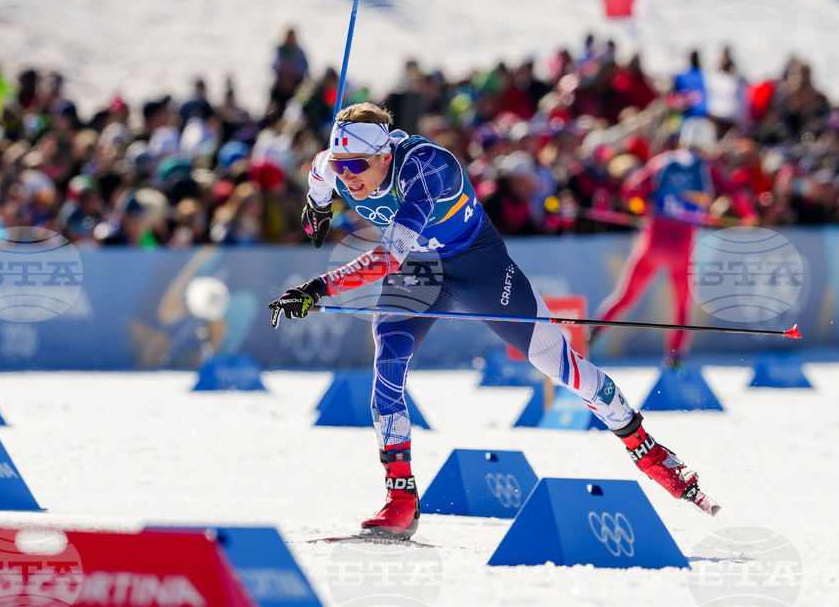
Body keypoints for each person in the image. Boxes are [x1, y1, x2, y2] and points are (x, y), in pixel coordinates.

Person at [268, 103, 720, 540]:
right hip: (419, 271)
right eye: (341, 165)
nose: (347, 175)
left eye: (356, 167)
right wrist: (319, 205)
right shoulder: (334, 162)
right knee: (388, 365)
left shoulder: (426, 168)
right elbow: (319, 174)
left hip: (476, 264)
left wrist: (317, 289)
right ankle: (400, 498)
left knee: (558, 363)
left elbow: (388, 256)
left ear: (385, 155)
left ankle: (650, 451)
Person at [591, 118, 758, 367]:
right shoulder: (706, 167)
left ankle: (590, 335)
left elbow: (630, 191)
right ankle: (674, 357)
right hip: (681, 247)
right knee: (681, 307)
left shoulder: (663, 161)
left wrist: (643, 209)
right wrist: (748, 217)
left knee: (625, 297)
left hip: (653, 242)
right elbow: (735, 193)